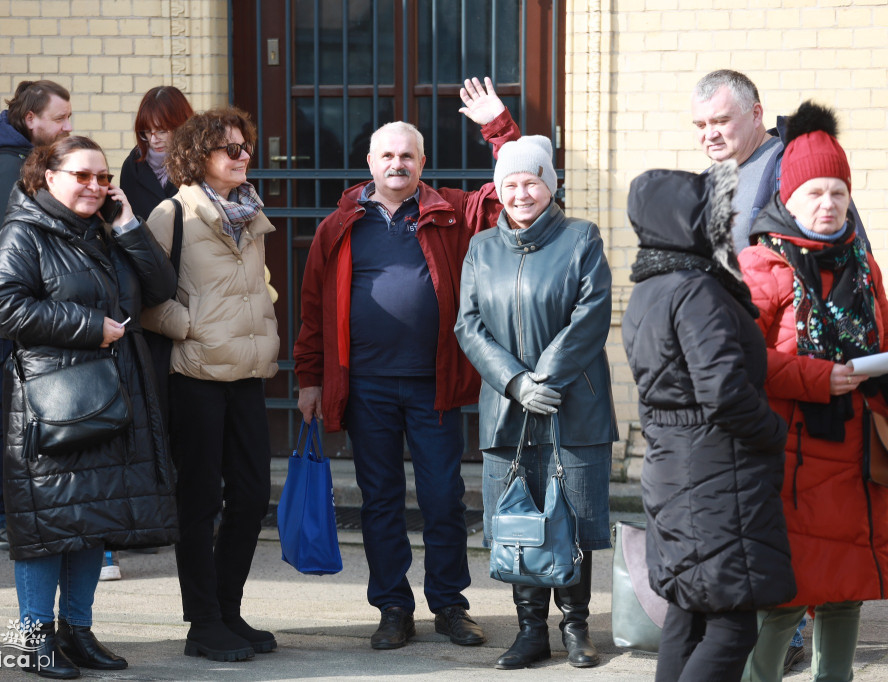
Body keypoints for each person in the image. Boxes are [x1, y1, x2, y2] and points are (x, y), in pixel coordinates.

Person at [293, 77, 519, 651]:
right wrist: (311, 379)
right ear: (370, 161)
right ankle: (392, 605)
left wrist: (499, 129)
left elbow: (513, 192)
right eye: (387, 155)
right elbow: (314, 309)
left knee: (443, 498)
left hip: (434, 386)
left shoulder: (451, 213)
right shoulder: (339, 225)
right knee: (381, 500)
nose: (398, 164)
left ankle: (448, 605)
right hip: (364, 386)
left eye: (407, 155)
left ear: (423, 162)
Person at [0, 136, 180, 678]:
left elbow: (162, 286)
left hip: (112, 395)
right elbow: (5, 306)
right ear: (47, 176)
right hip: (54, 404)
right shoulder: (22, 232)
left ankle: (77, 630)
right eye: (82, 175)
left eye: (102, 177)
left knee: (92, 519)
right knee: (47, 525)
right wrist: (91, 327)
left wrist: (127, 225)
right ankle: (35, 637)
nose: (95, 186)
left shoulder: (105, 230)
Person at [621, 161, 795, 682]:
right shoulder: (695, 290)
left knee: (689, 614)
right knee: (731, 625)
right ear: (689, 219)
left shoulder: (650, 287)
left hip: (678, 467)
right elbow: (722, 389)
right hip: (716, 473)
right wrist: (773, 433)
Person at [738, 101, 888, 682]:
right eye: (814, 194)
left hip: (856, 456)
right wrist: (819, 377)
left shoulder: (863, 264)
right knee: (786, 599)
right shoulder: (762, 264)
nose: (828, 206)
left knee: (846, 592)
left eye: (838, 194)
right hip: (793, 461)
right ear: (788, 198)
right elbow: (742, 360)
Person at [455, 135, 617, 670]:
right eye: (511, 184)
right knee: (518, 517)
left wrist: (545, 378)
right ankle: (530, 631)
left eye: (531, 181)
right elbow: (469, 325)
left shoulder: (581, 238)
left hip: (574, 404)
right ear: (498, 190)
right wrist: (517, 383)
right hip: (509, 408)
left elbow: (591, 314)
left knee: (570, 516)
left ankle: (575, 626)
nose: (521, 193)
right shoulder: (481, 247)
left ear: (551, 183)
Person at [140, 107, 279, 663]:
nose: (243, 155)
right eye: (230, 149)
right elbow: (146, 297)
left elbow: (257, 288)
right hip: (195, 376)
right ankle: (203, 622)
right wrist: (193, 329)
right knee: (198, 503)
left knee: (250, 496)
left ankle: (228, 608)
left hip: (246, 376)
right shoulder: (171, 215)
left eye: (245, 147)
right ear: (200, 158)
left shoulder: (251, 212)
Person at [0, 80, 72, 550]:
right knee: (10, 417)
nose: (67, 126)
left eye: (68, 117)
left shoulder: (26, 162)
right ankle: (5, 516)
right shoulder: (2, 170)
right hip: (13, 318)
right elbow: (15, 253)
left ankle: (27, 510)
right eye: (59, 118)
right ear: (30, 119)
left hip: (34, 313)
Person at [101, 85, 195, 581]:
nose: (155, 139)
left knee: (187, 410)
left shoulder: (201, 165)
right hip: (148, 300)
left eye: (164, 129)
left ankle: (187, 515)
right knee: (152, 404)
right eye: (147, 131)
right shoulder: (131, 169)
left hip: (196, 293)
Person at [691, 69, 865, 258]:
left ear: (756, 114)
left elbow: (854, 256)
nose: (710, 134)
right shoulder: (700, 185)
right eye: (701, 125)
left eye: (721, 121)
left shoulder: (798, 165)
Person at [119, 85, 194, 221]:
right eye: (147, 131)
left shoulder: (199, 163)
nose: (153, 140)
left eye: (162, 131)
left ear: (182, 126)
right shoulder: (132, 166)